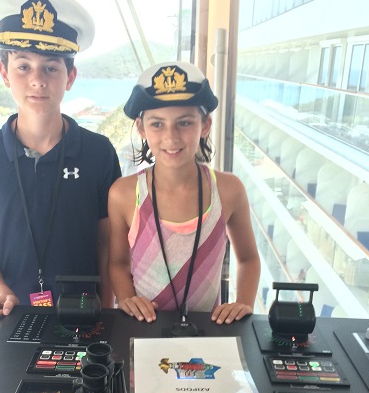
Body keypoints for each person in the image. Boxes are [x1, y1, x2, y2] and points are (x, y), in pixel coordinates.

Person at [0, 0, 121, 330]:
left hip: (87, 314)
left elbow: (107, 239)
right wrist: (0, 292)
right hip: (14, 313)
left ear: (70, 77)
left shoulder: (98, 151)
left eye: (51, 68)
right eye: (23, 66)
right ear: (4, 74)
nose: (37, 81)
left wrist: (105, 305)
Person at [108, 61, 260, 324]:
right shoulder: (123, 194)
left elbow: (248, 258)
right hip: (144, 327)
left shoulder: (229, 190)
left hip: (208, 331)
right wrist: (126, 300)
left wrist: (243, 303)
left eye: (184, 123)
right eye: (157, 124)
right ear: (141, 128)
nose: (171, 137)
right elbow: (118, 263)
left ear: (205, 124)